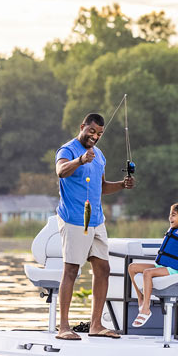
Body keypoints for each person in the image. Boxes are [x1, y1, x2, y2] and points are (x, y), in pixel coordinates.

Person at [54, 112, 135, 340]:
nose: (95, 136)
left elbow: (101, 187)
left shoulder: (99, 156)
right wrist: (80, 160)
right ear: (82, 127)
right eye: (92, 131)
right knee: (71, 270)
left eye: (99, 133)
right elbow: (61, 171)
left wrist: (121, 185)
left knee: (103, 269)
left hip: (97, 220)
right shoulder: (67, 150)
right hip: (74, 219)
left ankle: (96, 325)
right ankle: (63, 328)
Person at [128, 202, 178, 327]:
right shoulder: (172, 231)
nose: (170, 218)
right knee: (132, 268)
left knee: (147, 273)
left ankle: (146, 309)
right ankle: (141, 299)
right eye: (170, 215)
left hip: (175, 270)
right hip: (162, 266)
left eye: (174, 215)